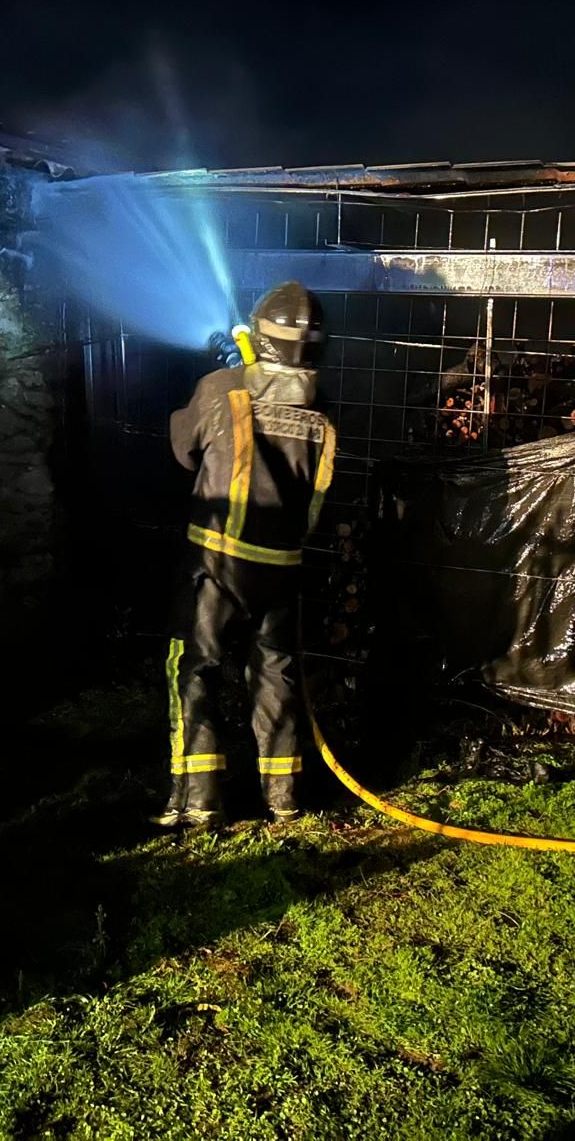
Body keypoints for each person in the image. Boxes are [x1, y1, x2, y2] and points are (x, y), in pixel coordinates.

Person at [154, 282, 336, 827]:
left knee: (195, 667)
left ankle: (199, 800)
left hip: (214, 564)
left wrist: (229, 375)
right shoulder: (324, 411)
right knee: (275, 674)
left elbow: (184, 451)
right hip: (280, 570)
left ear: (259, 333)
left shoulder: (220, 388)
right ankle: (283, 800)